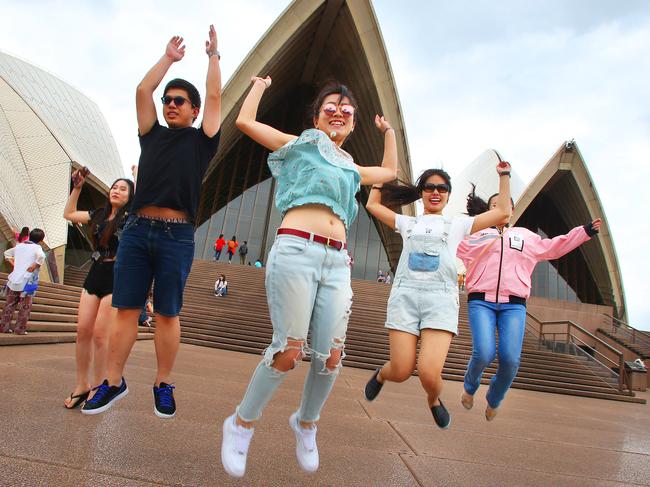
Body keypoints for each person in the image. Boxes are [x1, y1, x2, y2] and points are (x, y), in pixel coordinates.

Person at [220, 77, 397, 478]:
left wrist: (389, 132)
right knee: (288, 351)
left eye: (346, 110)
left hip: (337, 260)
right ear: (316, 117)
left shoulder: (351, 166)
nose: (338, 112)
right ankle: (241, 423)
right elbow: (246, 122)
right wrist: (259, 85)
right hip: (297, 248)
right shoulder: (299, 143)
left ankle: (306, 422)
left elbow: (389, 172)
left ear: (352, 125)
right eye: (330, 107)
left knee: (331, 357)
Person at [82, 26, 222, 418]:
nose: (170, 104)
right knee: (125, 308)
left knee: (166, 312)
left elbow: (214, 95)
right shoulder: (151, 134)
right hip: (138, 230)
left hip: (177, 235)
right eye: (168, 100)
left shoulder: (203, 140)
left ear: (194, 111)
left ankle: (163, 382)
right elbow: (142, 91)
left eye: (179, 101)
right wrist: (168, 59)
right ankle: (112, 381)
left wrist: (212, 56)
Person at [363, 161, 512, 429]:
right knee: (400, 370)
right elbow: (372, 206)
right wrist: (379, 178)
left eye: (441, 188)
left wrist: (504, 175)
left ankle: (433, 400)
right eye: (429, 187)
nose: (435, 192)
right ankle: (382, 376)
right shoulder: (407, 223)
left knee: (430, 375)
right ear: (421, 192)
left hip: (440, 302)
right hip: (406, 298)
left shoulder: (458, 225)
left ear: (448, 194)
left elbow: (502, 212)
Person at [457, 187, 601, 420]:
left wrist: (583, 232)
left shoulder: (525, 236)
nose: (499, 208)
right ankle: (469, 387)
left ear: (512, 211)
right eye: (494, 205)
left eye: (504, 204)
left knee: (511, 359)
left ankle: (494, 398)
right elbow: (448, 248)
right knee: (483, 353)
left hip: (513, 305)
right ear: (488, 210)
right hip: (481, 301)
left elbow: (555, 247)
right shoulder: (476, 236)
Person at [62, 170, 134, 409]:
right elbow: (69, 213)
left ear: (131, 196)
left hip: (117, 276)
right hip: (95, 272)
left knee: (101, 335)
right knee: (83, 330)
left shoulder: (132, 217)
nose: (117, 190)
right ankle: (81, 385)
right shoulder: (99, 214)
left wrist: (139, 175)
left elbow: (146, 203)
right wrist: (78, 188)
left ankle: (99, 386)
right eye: (115, 186)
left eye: (124, 189)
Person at [1, 228, 46, 335]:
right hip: (27, 282)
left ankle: (3, 327)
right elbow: (42, 256)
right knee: (25, 307)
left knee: (9, 305)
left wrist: (13, 264)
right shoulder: (37, 247)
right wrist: (35, 265)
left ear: (30, 236)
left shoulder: (19, 246)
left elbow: (7, 253)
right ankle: (20, 329)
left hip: (13, 280)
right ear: (41, 240)